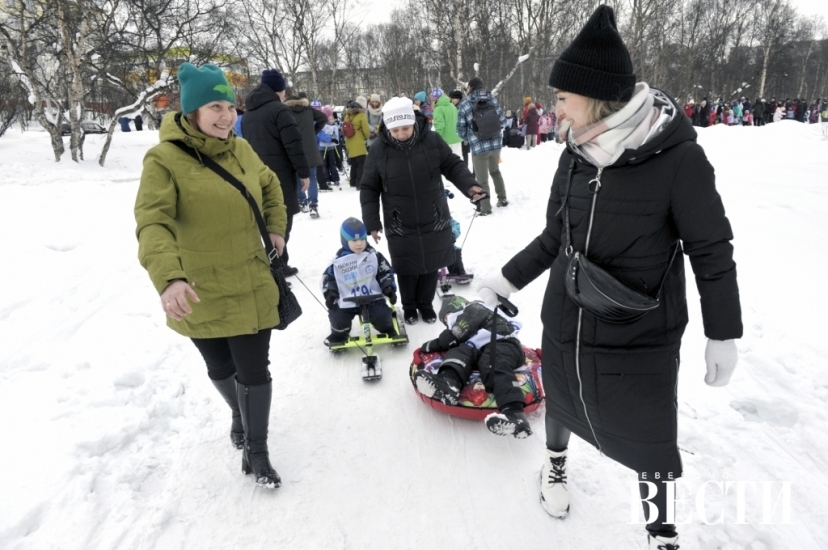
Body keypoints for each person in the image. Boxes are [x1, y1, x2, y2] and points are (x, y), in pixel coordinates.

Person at [477, 6, 742, 549]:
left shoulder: (678, 158)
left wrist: (724, 333)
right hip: (568, 316)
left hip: (637, 331)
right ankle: (555, 466)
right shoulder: (573, 156)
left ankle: (660, 528)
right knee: (563, 395)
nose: (554, 110)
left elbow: (711, 250)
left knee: (649, 436)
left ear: (593, 96)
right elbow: (556, 236)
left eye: (561, 99)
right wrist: (501, 282)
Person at [135, 63, 288, 489]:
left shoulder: (241, 149)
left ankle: (257, 451)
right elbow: (153, 223)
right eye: (214, 106)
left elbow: (271, 185)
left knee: (255, 371)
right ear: (191, 111)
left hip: (251, 282)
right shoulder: (164, 160)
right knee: (220, 366)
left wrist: (276, 227)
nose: (226, 115)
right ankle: (237, 414)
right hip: (198, 287)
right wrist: (170, 279)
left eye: (229, 105)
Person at [360, 97, 484, 324]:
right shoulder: (378, 150)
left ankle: (426, 304)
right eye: (395, 129)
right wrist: (373, 223)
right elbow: (369, 188)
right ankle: (408, 306)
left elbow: (452, 164)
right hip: (399, 219)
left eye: (405, 128)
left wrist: (470, 185)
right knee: (406, 266)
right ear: (387, 127)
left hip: (433, 214)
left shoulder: (432, 140)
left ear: (413, 123)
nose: (401, 133)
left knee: (431, 263)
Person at [414, 295, 532, 438]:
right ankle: (448, 383)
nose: (448, 323)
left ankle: (515, 415)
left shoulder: (474, 308)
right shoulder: (467, 332)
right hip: (480, 350)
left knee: (494, 362)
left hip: (503, 343)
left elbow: (453, 335)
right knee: (459, 352)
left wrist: (428, 346)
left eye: (446, 318)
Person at [243, 68, 309, 277]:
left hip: (255, 174)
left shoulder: (248, 114)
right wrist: (303, 172)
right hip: (279, 176)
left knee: (265, 219)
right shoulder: (280, 111)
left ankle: (280, 262)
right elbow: (294, 144)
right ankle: (275, 266)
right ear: (279, 90)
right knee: (282, 220)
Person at [322, 218, 398, 345]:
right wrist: (331, 293)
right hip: (348, 299)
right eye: (354, 240)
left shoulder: (374, 257)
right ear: (345, 241)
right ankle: (339, 334)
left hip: (372, 297)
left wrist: (388, 288)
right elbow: (330, 278)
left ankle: (387, 328)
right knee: (338, 315)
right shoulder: (338, 262)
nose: (359, 244)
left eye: (362, 239)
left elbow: (385, 272)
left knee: (381, 314)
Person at [456, 77, 509, 215]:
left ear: (471, 87)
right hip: (496, 144)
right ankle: (502, 199)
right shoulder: (492, 99)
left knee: (482, 179)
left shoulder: (465, 103)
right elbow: (503, 120)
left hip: (479, 147)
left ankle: (485, 209)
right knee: (495, 171)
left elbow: (460, 129)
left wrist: (470, 137)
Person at [285, 92, 327, 218]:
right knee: (312, 178)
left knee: (298, 177)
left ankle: (301, 201)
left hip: (294, 148)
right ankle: (313, 205)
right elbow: (323, 118)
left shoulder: (286, 111)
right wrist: (314, 131)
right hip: (310, 148)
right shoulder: (308, 109)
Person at [343, 97, 371, 188]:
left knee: (354, 163)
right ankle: (360, 184)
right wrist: (366, 137)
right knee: (361, 164)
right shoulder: (362, 115)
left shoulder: (347, 114)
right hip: (358, 141)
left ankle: (353, 182)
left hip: (349, 140)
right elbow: (366, 130)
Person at [432, 88, 463, 158]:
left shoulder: (438, 109)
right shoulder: (452, 106)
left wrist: (437, 139)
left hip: (445, 140)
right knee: (458, 161)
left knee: (447, 163)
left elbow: (440, 126)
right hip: (457, 138)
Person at [318, 107, 342, 189]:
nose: (331, 120)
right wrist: (329, 139)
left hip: (331, 147)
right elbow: (320, 135)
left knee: (332, 163)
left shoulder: (335, 126)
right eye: (329, 118)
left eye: (332, 119)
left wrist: (335, 139)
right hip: (323, 147)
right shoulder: (322, 125)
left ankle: (335, 178)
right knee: (324, 164)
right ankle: (326, 178)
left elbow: (337, 136)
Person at [448, 90, 470, 165]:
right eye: (452, 98)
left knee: (464, 152)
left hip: (463, 134)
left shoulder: (463, 107)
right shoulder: (450, 107)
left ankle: (465, 167)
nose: (453, 100)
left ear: (459, 99)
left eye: (455, 98)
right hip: (454, 134)